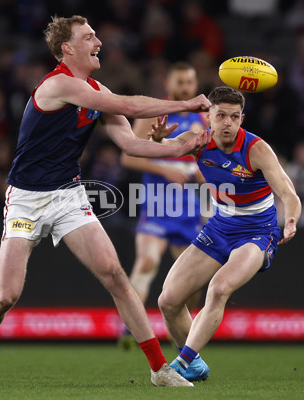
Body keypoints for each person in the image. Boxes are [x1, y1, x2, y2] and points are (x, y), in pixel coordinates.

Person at [0, 15, 212, 388]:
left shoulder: (96, 90)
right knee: (6, 295)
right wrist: (186, 104)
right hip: (27, 199)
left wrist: (183, 146)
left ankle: (160, 370)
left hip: (68, 195)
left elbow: (131, 145)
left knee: (116, 276)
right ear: (67, 48)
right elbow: (131, 105)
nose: (99, 42)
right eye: (89, 36)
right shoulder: (61, 84)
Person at [155, 86, 301, 381]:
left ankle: (181, 365)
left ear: (241, 118)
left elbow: (288, 191)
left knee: (219, 288)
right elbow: (162, 147)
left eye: (234, 117)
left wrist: (292, 219)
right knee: (168, 301)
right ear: (207, 116)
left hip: (257, 233)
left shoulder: (256, 149)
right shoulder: (198, 142)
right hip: (219, 227)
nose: (227, 123)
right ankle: (194, 363)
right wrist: (159, 139)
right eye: (220, 115)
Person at [119, 62, 206, 348]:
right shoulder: (156, 112)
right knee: (147, 261)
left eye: (190, 83)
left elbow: (205, 164)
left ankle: (179, 329)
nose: (186, 88)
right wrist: (165, 169)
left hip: (188, 207)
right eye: (180, 82)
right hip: (157, 202)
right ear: (168, 86)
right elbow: (128, 157)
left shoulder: (204, 120)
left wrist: (210, 187)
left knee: (191, 282)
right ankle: (130, 330)